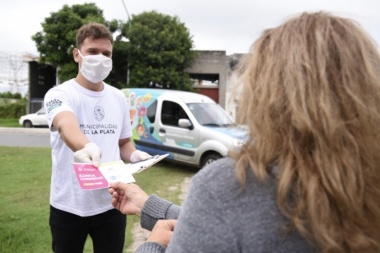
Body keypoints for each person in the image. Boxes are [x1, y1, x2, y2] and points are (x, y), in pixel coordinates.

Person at [109, 11, 380, 253]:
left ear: (268, 95)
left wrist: (153, 245)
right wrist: (149, 206)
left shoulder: (232, 184)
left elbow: (233, 214)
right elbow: (225, 224)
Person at [44, 22, 151, 253]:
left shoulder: (117, 98)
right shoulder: (60, 93)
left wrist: (135, 155)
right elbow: (64, 123)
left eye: (106, 53)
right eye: (93, 52)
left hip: (112, 201)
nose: (100, 58)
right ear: (77, 54)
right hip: (69, 206)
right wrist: (86, 145)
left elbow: (123, 142)